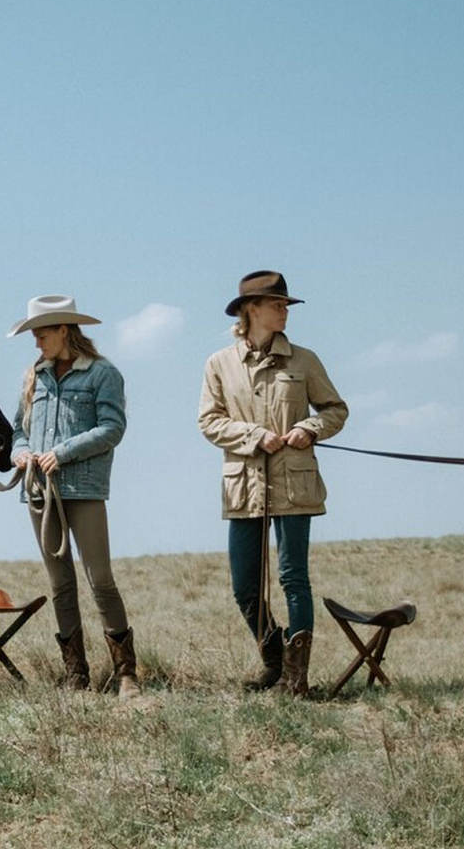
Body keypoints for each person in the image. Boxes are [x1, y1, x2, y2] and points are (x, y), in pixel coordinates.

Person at [198, 271, 348, 696]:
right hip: (244, 486)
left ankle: (296, 680)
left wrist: (309, 428)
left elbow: (335, 410)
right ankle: (275, 662)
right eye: (277, 304)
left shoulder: (305, 360)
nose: (285, 311)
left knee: (293, 579)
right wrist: (253, 436)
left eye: (286, 305)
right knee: (244, 586)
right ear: (251, 309)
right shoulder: (218, 364)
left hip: (294, 483)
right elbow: (209, 421)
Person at [8, 294, 139, 698]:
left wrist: (62, 453)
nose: (36, 343)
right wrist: (20, 453)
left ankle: (126, 675)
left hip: (84, 490)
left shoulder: (103, 374)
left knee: (100, 580)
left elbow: (112, 428)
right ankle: (76, 675)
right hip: (40, 493)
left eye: (42, 334)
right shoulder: (34, 376)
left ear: (64, 330)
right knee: (60, 584)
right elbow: (19, 430)